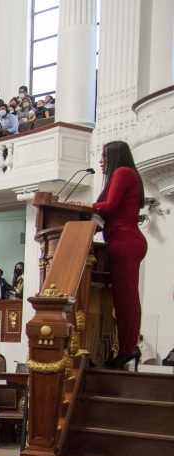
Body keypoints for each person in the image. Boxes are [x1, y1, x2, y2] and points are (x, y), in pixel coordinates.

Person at [92, 140, 147, 370]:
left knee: (126, 300)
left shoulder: (123, 172)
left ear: (114, 156)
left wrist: (85, 205)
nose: (101, 161)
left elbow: (111, 204)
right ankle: (126, 348)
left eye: (104, 156)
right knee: (123, 299)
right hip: (122, 241)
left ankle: (128, 348)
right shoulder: (125, 173)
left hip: (125, 243)